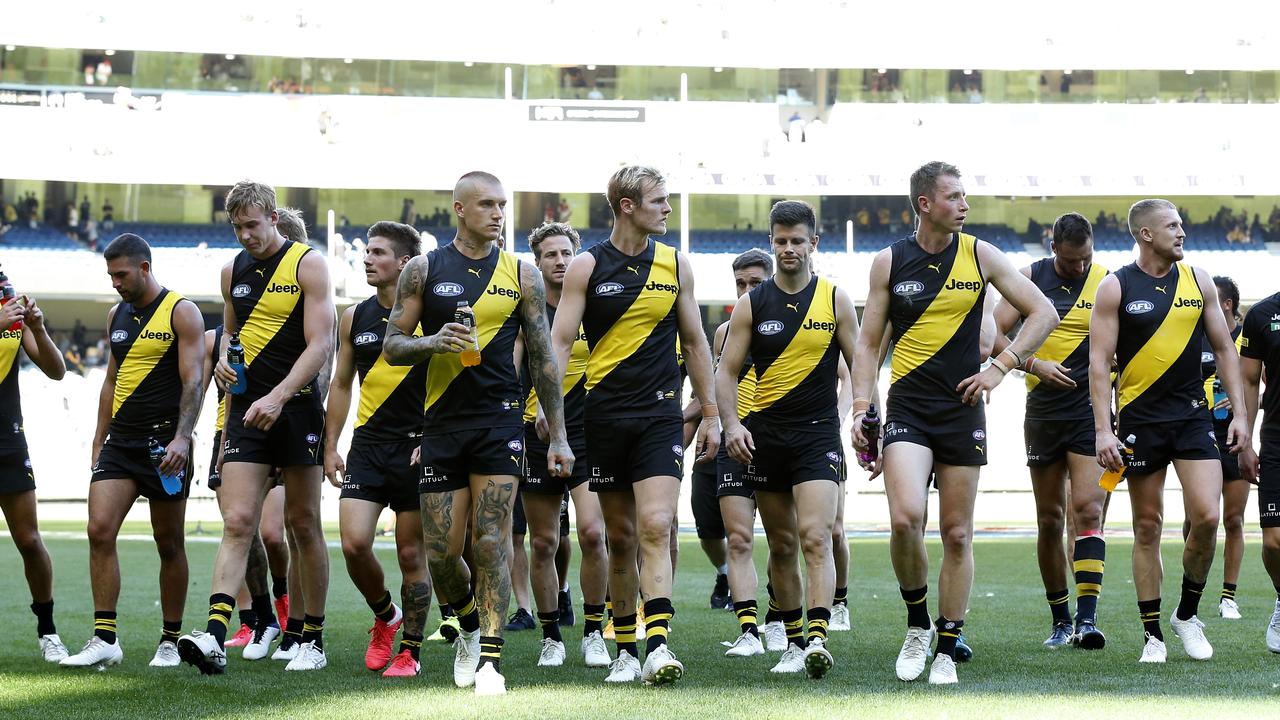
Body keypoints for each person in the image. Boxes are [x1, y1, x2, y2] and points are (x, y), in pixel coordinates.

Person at [851, 161, 1059, 685]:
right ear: (925, 203)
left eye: (965, 196)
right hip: (908, 408)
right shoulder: (889, 262)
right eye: (954, 197)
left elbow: (1044, 314)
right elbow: (868, 344)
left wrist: (999, 369)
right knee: (904, 519)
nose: (964, 205)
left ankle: (947, 642)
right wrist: (860, 408)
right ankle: (918, 625)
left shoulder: (981, 254)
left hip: (962, 410)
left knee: (958, 534)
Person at [383, 171, 573, 696]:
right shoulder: (423, 270)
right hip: (441, 424)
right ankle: (466, 623)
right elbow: (392, 345)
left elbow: (542, 356)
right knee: (443, 554)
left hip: (499, 422)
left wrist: (557, 435)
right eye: (487, 204)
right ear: (460, 209)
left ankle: (490, 658)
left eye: (502, 204)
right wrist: (433, 343)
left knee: (491, 541)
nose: (498, 212)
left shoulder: (524, 273)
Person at [551, 165, 719, 686]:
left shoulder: (675, 265)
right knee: (619, 537)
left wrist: (712, 413)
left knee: (654, 524)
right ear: (627, 205)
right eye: (659, 201)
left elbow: (695, 344)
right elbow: (558, 344)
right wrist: (555, 422)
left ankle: (658, 644)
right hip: (601, 417)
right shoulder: (585, 266)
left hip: (659, 415)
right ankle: (624, 648)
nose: (667, 209)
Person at [180, 181, 335, 674]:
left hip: (297, 409)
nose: (246, 235)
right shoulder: (232, 271)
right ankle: (215, 633)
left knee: (303, 525)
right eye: (237, 227)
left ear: (272, 215)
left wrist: (280, 395)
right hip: (247, 413)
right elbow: (230, 331)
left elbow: (321, 343)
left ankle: (312, 637)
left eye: (253, 224)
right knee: (238, 522)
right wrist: (225, 359)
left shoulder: (308, 263)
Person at [1090, 199, 1248, 664]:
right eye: (1172, 226)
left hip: (1193, 418)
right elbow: (1098, 366)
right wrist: (1103, 430)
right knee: (1147, 526)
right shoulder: (1115, 287)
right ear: (1145, 234)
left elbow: (1224, 349)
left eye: (1181, 224)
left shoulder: (1198, 280)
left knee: (1207, 518)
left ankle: (1187, 613)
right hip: (1139, 423)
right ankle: (1153, 635)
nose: (1182, 232)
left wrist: (1239, 415)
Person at [717, 201, 858, 680]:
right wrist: (733, 425)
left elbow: (859, 367)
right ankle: (794, 642)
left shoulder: (835, 298)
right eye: (781, 241)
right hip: (766, 439)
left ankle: (818, 638)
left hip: (818, 437)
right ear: (772, 241)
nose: (789, 249)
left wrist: (862, 415)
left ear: (814, 243)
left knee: (815, 536)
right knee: (780, 545)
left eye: (798, 240)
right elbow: (726, 372)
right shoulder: (752, 305)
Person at [60, 234, 205, 670]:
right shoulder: (114, 315)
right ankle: (105, 637)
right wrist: (98, 437)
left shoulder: (182, 312)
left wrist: (183, 437)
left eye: (121, 274)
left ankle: (169, 637)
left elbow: (194, 380)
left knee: (169, 543)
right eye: (110, 275)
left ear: (144, 268)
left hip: (166, 445)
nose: (115, 283)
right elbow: (111, 380)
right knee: (99, 530)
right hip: (120, 443)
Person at [992, 212, 1110, 649]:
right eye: (1071, 260)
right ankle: (1059, 619)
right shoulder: (1029, 278)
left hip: (1087, 413)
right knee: (1049, 520)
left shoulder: (1105, 280)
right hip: (1041, 414)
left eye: (1086, 259)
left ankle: (1087, 619)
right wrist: (1032, 363)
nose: (1079, 268)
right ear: (1053, 246)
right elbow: (991, 332)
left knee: (1088, 512)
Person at [324, 221, 432, 677]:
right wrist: (331, 444)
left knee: (412, 555)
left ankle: (410, 650)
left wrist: (434, 437)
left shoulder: (432, 313)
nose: (367, 259)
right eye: (366, 251)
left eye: (378, 253)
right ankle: (386, 617)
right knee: (353, 544)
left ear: (405, 263)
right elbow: (342, 383)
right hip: (368, 445)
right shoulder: (355, 317)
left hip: (417, 447)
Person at [519, 220, 610, 669]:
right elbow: (512, 373)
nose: (560, 261)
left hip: (589, 433)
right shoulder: (527, 313)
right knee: (543, 543)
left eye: (566, 253)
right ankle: (551, 634)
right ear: (537, 263)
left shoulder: (595, 308)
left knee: (594, 534)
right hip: (538, 434)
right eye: (550, 254)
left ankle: (595, 631)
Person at [693, 249, 772, 638]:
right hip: (734, 436)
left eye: (755, 283)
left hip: (778, 436)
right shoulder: (724, 333)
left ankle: (781, 618)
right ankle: (748, 631)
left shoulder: (789, 320)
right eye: (740, 283)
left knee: (785, 540)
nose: (746, 290)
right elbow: (715, 385)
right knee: (737, 538)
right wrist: (713, 423)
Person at [201, 325, 286, 661]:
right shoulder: (215, 339)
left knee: (273, 535)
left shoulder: (282, 321)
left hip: (275, 425)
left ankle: (285, 605)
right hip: (231, 433)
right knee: (239, 530)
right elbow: (197, 387)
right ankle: (260, 620)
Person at [0, 273, 68, 662]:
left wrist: (37, 328)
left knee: (28, 540)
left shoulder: (12, 303)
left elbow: (56, 370)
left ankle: (48, 629)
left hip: (7, 436)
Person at [1189, 276, 1248, 620]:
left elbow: (1262, 385)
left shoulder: (1247, 338)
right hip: (1200, 433)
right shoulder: (1197, 336)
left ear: (1226, 303)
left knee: (1233, 518)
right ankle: (1193, 588)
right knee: (1197, 517)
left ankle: (1228, 596)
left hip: (1235, 437)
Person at [1238, 285, 1280, 650]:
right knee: (1275, 540)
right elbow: (1249, 380)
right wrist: (1246, 443)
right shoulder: (1263, 314)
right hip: (1278, 440)